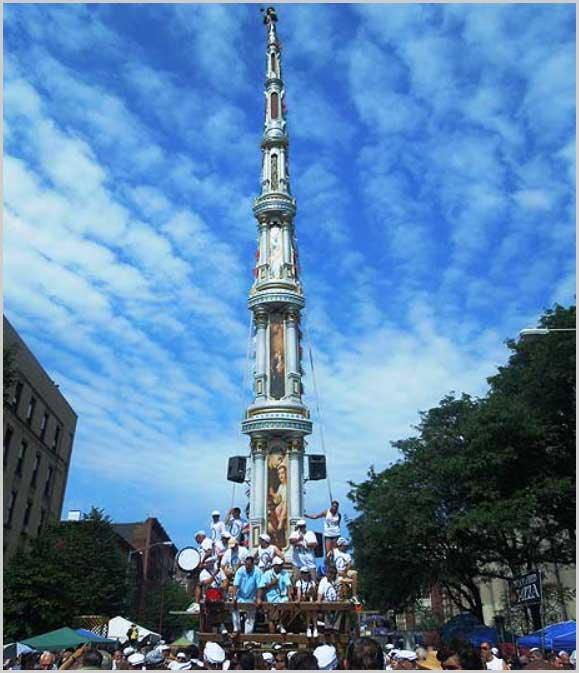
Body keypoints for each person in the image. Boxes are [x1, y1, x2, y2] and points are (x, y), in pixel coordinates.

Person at [258, 557, 293, 634]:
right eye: (279, 565)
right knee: (272, 619)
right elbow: (261, 587)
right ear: (274, 566)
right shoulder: (267, 574)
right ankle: (274, 639)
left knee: (287, 605)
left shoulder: (284, 573)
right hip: (271, 599)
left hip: (282, 598)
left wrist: (290, 594)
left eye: (281, 565)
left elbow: (288, 585)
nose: (281, 566)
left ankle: (280, 623)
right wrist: (271, 584)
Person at [231, 555, 262, 634]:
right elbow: (235, 585)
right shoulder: (240, 571)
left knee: (251, 616)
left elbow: (259, 586)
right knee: (233, 607)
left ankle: (247, 636)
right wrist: (234, 597)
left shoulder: (257, 571)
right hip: (240, 596)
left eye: (249, 565)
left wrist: (258, 598)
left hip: (252, 597)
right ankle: (236, 629)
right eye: (246, 565)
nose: (247, 567)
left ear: (253, 565)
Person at [295, 566, 318, 637]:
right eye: (302, 573)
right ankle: (308, 628)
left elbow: (314, 592)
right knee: (308, 609)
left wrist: (311, 594)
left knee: (312, 609)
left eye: (305, 573)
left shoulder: (312, 582)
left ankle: (314, 628)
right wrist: (299, 599)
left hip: (311, 599)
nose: (304, 574)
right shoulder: (299, 582)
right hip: (303, 600)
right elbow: (299, 592)